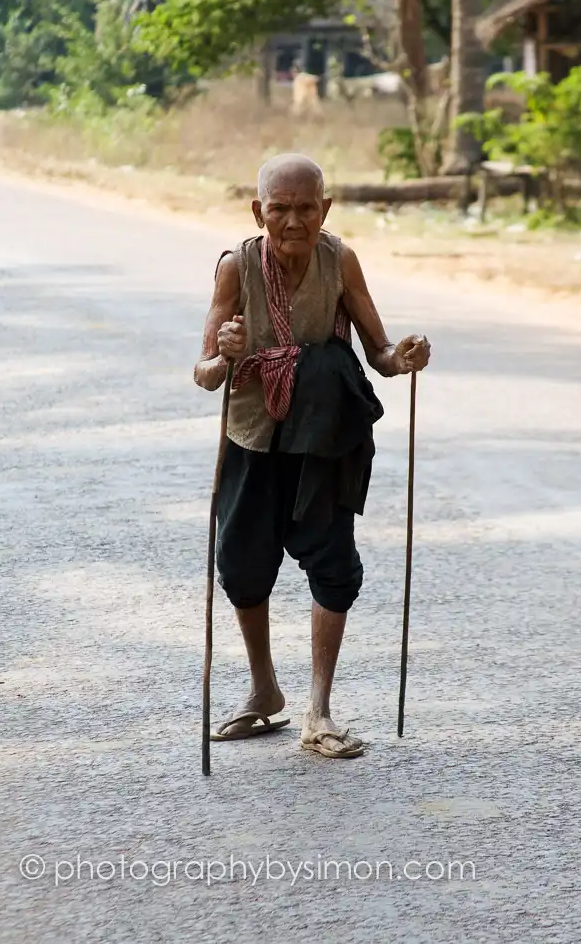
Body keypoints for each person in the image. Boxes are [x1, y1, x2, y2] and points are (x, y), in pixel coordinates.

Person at [194, 153, 430, 758]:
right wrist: (227, 351)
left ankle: (318, 711)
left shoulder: (339, 260)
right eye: (280, 208)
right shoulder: (236, 268)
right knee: (242, 566)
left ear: (325, 210)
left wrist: (402, 358)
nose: (293, 220)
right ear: (258, 211)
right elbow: (204, 375)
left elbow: (378, 351)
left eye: (306, 208)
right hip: (253, 438)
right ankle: (263, 690)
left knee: (333, 566)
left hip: (325, 443)